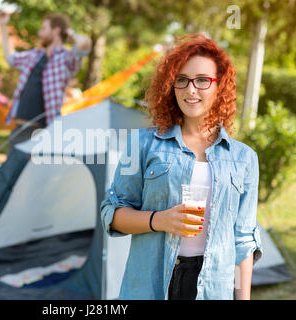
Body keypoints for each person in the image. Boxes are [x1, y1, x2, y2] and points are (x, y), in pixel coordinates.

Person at [100, 34, 262, 300]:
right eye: (182, 80)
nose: (190, 89)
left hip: (211, 288)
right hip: (151, 285)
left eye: (202, 80)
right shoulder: (140, 144)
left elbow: (243, 242)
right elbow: (112, 213)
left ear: (220, 86)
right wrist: (159, 220)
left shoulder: (244, 158)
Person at [0, 11, 91, 154]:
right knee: (10, 175)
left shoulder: (66, 59)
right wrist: (3, 26)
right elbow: (10, 57)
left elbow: (84, 44)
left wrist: (69, 31)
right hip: (19, 128)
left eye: (43, 29)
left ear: (56, 31)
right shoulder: (35, 55)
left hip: (41, 133)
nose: (40, 33)